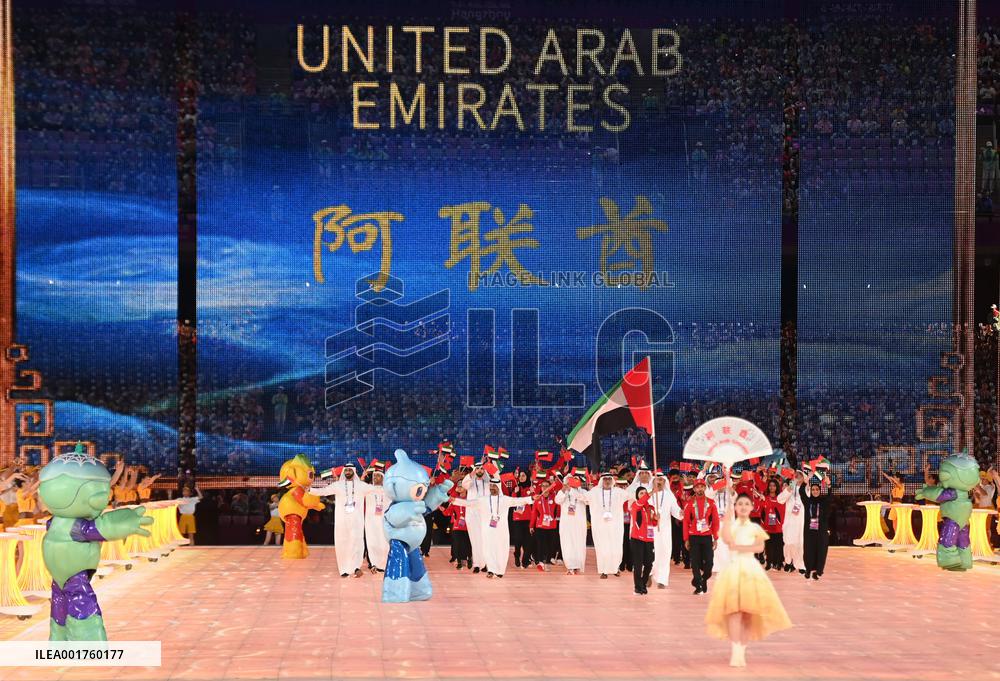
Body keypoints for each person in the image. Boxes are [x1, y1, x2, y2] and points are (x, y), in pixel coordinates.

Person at [704, 483, 792, 667]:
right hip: (733, 569)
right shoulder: (731, 525)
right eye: (740, 504)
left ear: (751, 508)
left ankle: (742, 649)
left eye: (746, 504)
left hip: (751, 570)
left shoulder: (755, 528)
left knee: (747, 613)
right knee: (734, 612)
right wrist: (727, 520)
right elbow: (727, 539)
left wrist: (742, 548)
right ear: (735, 507)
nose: (743, 507)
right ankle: (735, 649)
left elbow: (760, 547)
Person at [451, 476, 534, 578]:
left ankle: (500, 570)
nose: (492, 488)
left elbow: (519, 501)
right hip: (487, 530)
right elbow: (469, 503)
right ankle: (491, 569)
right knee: (488, 549)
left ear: (499, 487)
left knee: (501, 549)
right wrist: (455, 500)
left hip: (501, 530)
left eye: (494, 486)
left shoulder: (505, 500)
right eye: (490, 486)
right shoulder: (483, 500)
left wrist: (531, 498)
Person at [311, 463, 373, 578]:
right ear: (344, 471)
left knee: (357, 542)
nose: (348, 471)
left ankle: (356, 567)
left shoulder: (361, 485)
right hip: (341, 521)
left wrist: (390, 488)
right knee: (342, 543)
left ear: (354, 471)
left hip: (357, 521)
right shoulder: (337, 485)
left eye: (350, 470)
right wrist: (309, 490)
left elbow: (376, 489)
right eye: (346, 470)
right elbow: (323, 491)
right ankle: (344, 568)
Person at [585, 472, 631, 578]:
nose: (607, 481)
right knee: (602, 547)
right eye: (605, 479)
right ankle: (603, 570)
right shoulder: (595, 492)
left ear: (612, 481)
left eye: (609, 479)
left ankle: (615, 568)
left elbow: (631, 495)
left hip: (615, 526)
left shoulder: (618, 492)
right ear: (602, 480)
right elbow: (583, 498)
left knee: (616, 547)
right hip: (600, 526)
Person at [683, 477, 719, 595]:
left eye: (702, 487)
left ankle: (702, 579)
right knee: (695, 562)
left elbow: (715, 521)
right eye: (697, 487)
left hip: (707, 535)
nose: (700, 489)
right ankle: (698, 585)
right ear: (694, 489)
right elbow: (686, 522)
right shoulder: (689, 503)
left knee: (709, 563)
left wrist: (716, 537)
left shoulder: (711, 503)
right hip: (694, 536)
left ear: (705, 488)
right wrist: (686, 539)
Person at [649, 472, 683, 588]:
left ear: (665, 482)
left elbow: (675, 509)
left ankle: (662, 579)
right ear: (653, 481)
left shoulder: (669, 495)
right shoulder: (648, 494)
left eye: (662, 480)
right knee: (651, 553)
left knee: (665, 552)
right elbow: (644, 508)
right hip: (650, 529)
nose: (659, 482)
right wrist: (652, 515)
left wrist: (681, 513)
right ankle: (649, 573)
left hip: (665, 529)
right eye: (657, 480)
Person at [555, 473, 589, 575]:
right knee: (567, 543)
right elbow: (557, 500)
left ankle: (578, 566)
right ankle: (570, 566)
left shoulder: (583, 492)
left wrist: (572, 491)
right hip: (567, 523)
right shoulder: (563, 492)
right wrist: (563, 490)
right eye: (569, 481)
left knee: (579, 544)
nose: (571, 483)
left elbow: (587, 501)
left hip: (579, 523)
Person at [801, 476, 833, 580]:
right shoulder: (807, 501)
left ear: (820, 490)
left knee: (821, 551)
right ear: (810, 490)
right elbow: (802, 492)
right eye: (813, 489)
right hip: (809, 531)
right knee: (809, 550)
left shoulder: (823, 502)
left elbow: (830, 496)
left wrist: (829, 485)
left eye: (817, 489)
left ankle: (818, 571)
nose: (815, 491)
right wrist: (804, 482)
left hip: (821, 531)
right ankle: (808, 569)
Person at [628, 487, 658, 595]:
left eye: (645, 493)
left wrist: (656, 519)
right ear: (637, 496)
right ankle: (638, 587)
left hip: (649, 539)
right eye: (641, 493)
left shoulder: (651, 508)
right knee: (638, 564)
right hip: (637, 539)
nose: (644, 495)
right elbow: (641, 502)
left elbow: (653, 524)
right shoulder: (635, 506)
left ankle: (643, 583)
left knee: (649, 563)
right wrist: (650, 493)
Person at [461, 464, 490, 573]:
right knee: (474, 539)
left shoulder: (488, 483)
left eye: (482, 468)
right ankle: (477, 564)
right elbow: (464, 485)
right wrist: (473, 472)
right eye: (477, 468)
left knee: (485, 539)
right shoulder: (470, 482)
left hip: (485, 514)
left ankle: (486, 563)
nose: (479, 470)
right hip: (472, 514)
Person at [530, 477, 560, 571]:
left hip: (552, 526)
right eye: (543, 486)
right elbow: (534, 513)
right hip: (540, 526)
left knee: (550, 546)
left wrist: (557, 518)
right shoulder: (538, 499)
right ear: (541, 487)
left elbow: (558, 509)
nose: (545, 487)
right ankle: (540, 562)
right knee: (540, 544)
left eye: (547, 486)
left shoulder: (554, 498)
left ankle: (547, 562)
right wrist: (531, 526)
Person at [364, 467, 389, 573]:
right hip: (371, 521)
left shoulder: (388, 491)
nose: (376, 478)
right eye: (374, 476)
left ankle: (384, 564)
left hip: (384, 521)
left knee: (384, 543)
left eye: (378, 475)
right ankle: (374, 563)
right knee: (372, 542)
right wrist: (362, 478)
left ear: (383, 478)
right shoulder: (368, 489)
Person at [758, 478, 786, 570]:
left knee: (778, 545)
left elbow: (781, 510)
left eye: (774, 485)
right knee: (768, 546)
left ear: (777, 487)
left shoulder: (780, 498)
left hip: (777, 526)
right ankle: (769, 563)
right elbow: (761, 511)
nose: (771, 487)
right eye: (770, 485)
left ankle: (778, 563)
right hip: (767, 525)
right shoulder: (764, 497)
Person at [442, 487, 471, 569]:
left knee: (467, 544)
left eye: (461, 487)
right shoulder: (455, 500)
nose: (459, 488)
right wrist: (443, 510)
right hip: (457, 525)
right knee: (457, 544)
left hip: (468, 526)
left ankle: (468, 559)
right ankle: (459, 562)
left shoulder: (470, 499)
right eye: (459, 487)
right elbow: (448, 512)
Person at [782, 475, 806, 573]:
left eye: (800, 476)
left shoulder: (806, 489)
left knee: (800, 544)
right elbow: (780, 499)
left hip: (800, 522)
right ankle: (788, 561)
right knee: (788, 543)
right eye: (796, 476)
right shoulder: (789, 488)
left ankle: (800, 565)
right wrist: (788, 489)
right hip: (789, 523)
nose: (797, 477)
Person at [510, 470, 534, 568]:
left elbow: (533, 502)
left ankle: (525, 560)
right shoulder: (516, 488)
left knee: (527, 541)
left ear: (527, 477)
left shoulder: (531, 488)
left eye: (523, 475)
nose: (521, 477)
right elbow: (513, 502)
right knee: (518, 539)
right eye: (520, 475)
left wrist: (533, 492)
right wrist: (515, 493)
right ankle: (517, 555)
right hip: (517, 518)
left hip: (528, 518)